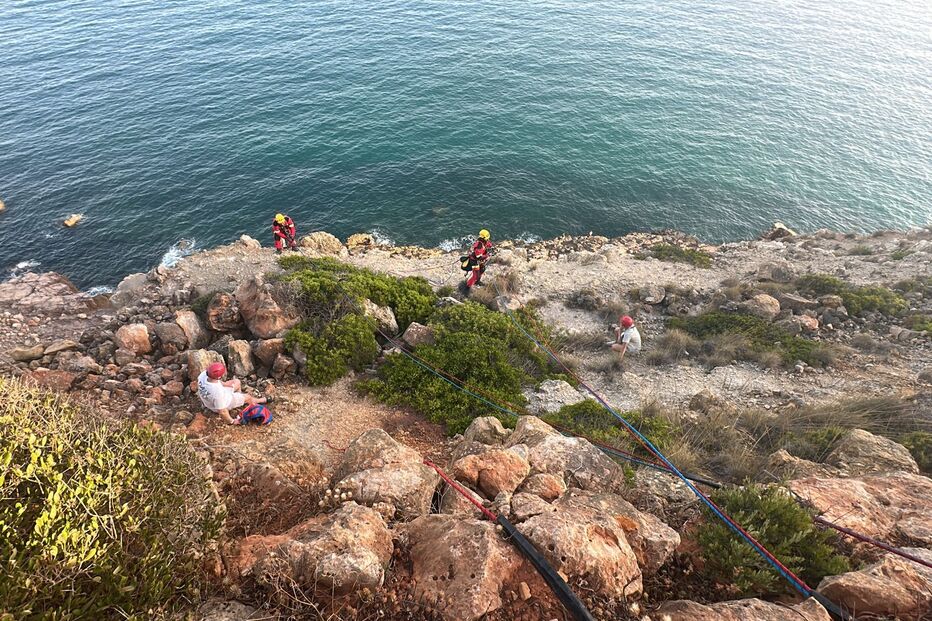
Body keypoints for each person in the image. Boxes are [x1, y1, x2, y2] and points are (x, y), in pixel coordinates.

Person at [196, 362, 267, 424]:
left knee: (237, 382)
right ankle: (259, 400)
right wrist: (232, 421)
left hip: (212, 397)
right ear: (219, 377)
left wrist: (225, 384)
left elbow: (216, 382)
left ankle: (239, 398)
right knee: (248, 397)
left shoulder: (203, 375)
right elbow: (222, 411)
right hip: (223, 403)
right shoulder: (217, 392)